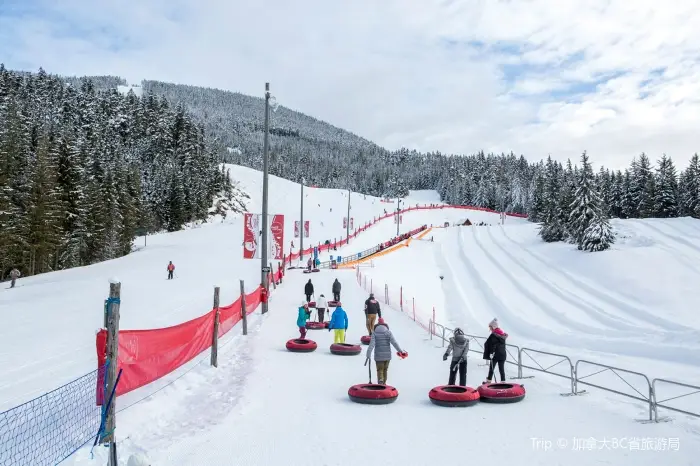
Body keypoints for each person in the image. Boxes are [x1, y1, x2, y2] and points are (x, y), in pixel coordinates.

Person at [366, 318, 406, 385]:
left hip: (378, 356)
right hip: (387, 356)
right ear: (384, 324)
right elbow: (394, 343)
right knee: (385, 370)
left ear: (377, 324)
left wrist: (368, 354)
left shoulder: (374, 333)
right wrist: (400, 351)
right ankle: (384, 384)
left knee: (379, 370)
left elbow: (371, 344)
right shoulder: (388, 332)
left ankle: (380, 381)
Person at [483, 318, 508, 383]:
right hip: (502, 355)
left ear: (493, 327)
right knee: (501, 369)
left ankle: (488, 381)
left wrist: (491, 353)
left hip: (495, 355)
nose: (490, 329)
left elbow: (493, 345)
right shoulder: (502, 334)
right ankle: (503, 382)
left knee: (491, 368)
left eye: (490, 327)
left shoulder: (494, 335)